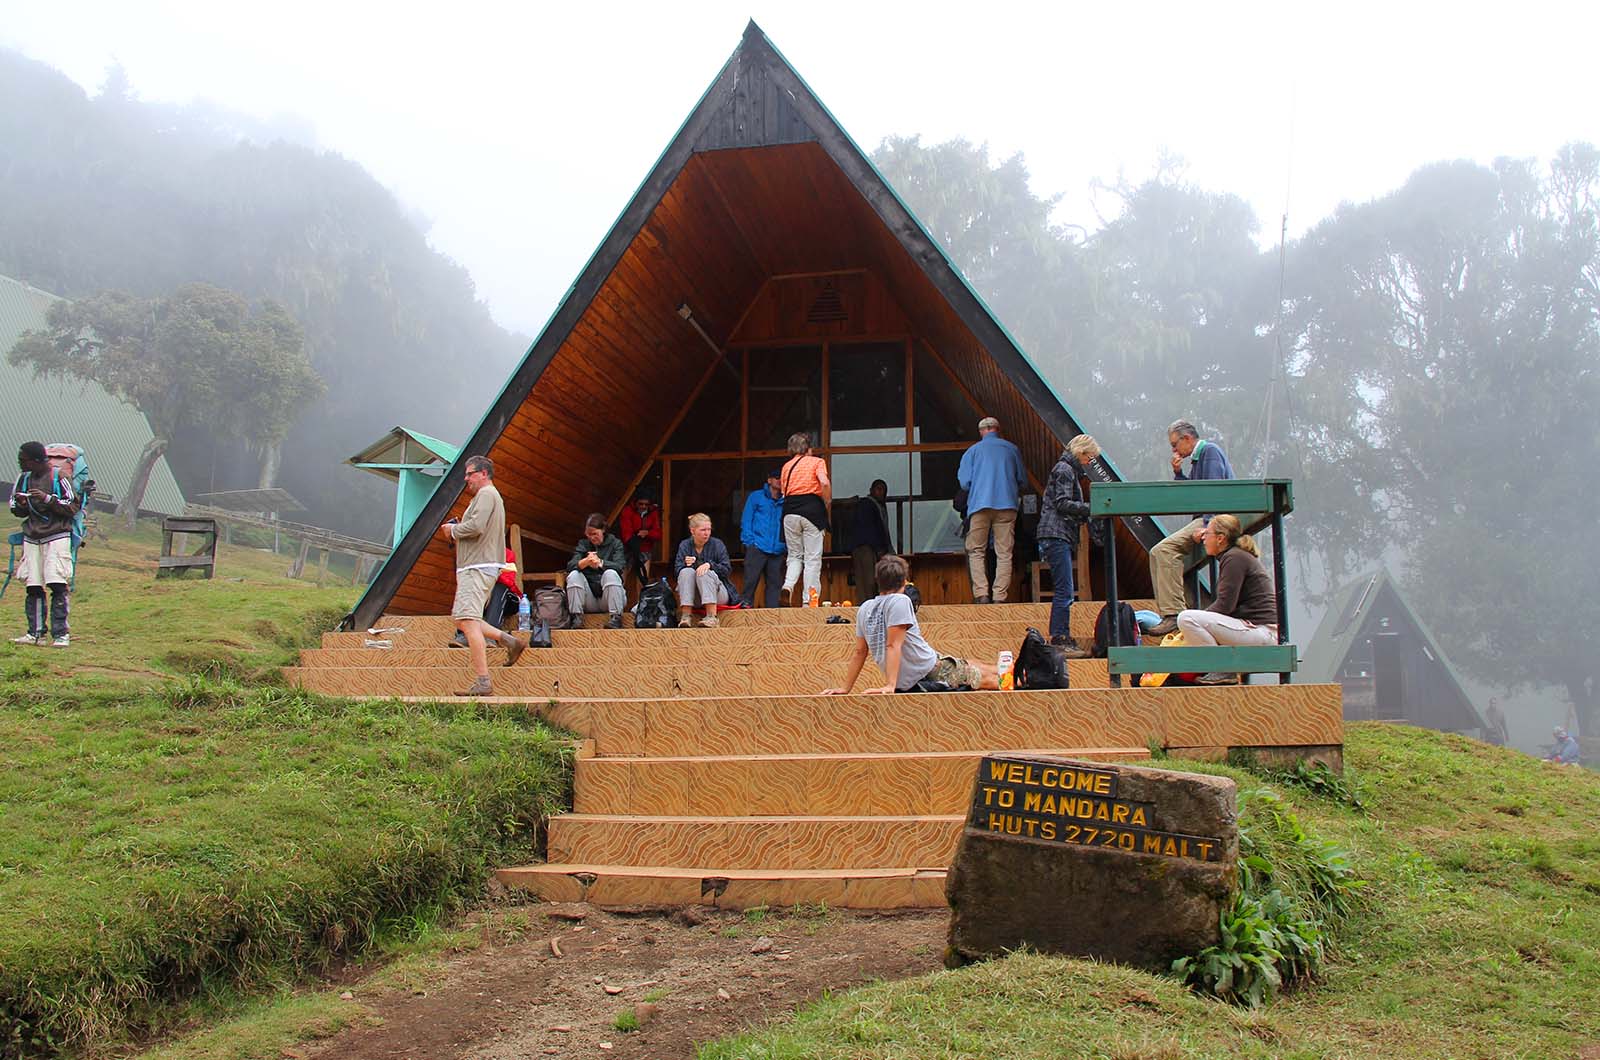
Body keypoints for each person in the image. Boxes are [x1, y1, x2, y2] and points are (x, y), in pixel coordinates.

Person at [822, 554, 998, 694]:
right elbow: (892, 645)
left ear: (878, 581)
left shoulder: (865, 608)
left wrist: (846, 688)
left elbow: (860, 652)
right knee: (988, 678)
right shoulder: (900, 600)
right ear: (904, 582)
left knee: (991, 676)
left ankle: (1019, 675)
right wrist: (891, 685)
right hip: (931, 673)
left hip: (933, 669)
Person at [437, 455, 526, 695]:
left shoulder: (486, 495)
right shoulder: (488, 496)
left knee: (466, 621)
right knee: (462, 618)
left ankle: (483, 681)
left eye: (470, 473)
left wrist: (452, 530)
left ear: (484, 474)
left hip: (477, 566)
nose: (466, 479)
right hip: (478, 565)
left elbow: (476, 527)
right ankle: (507, 640)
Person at [1146, 419, 1235, 637]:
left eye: (1175, 444)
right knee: (1162, 557)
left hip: (1215, 518)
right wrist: (1178, 474)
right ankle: (1178, 613)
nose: (1174, 450)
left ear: (1187, 439)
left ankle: (1174, 614)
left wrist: (1208, 525)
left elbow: (1212, 491)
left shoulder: (1209, 452)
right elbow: (1192, 493)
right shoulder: (1197, 460)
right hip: (1208, 516)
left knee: (1163, 551)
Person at [1174, 514, 1276, 685]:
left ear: (1220, 538)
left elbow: (1225, 605)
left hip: (1262, 632)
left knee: (1186, 618)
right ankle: (1221, 668)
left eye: (1208, 533)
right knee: (1192, 621)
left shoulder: (1234, 557)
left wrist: (1192, 626)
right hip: (1258, 631)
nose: (1204, 538)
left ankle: (1222, 669)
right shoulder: (1235, 556)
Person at [10, 441, 81, 647]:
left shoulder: (58, 477)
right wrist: (22, 504)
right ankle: (36, 633)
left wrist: (48, 499)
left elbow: (72, 506)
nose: (20, 464)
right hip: (32, 537)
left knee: (57, 583)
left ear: (35, 460)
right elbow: (15, 508)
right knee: (33, 586)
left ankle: (61, 634)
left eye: (23, 460)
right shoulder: (23, 479)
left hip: (57, 536)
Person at [1037, 434, 1100, 659]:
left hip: (1056, 534)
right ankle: (1059, 638)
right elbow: (1063, 503)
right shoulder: (1065, 470)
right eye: (1089, 457)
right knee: (1065, 589)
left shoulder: (1066, 469)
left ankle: (1061, 636)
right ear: (1081, 452)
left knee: (1065, 588)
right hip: (1056, 534)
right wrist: (1090, 508)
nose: (1089, 463)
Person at [957, 417, 1026, 603]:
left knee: (976, 550)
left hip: (980, 506)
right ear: (998, 429)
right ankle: (999, 597)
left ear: (981, 432)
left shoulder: (972, 452)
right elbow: (1022, 480)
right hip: (1007, 506)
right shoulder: (1012, 449)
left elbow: (964, 483)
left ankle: (982, 595)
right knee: (1004, 553)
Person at [778, 432, 830, 606]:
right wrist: (827, 501)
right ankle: (809, 601)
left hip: (789, 512)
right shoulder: (817, 462)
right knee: (812, 558)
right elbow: (824, 482)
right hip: (812, 510)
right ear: (808, 448)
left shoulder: (786, 467)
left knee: (794, 556)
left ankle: (788, 585)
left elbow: (784, 493)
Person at [565, 512, 628, 629]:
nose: (591, 537)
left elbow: (620, 566)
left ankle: (616, 618)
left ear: (603, 530)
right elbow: (570, 565)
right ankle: (576, 617)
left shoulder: (615, 543)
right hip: (589, 599)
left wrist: (600, 563)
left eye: (594, 534)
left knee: (611, 573)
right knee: (574, 575)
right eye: (588, 534)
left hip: (610, 598)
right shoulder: (583, 544)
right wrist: (586, 562)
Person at [675, 513, 739, 627]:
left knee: (704, 573)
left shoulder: (717, 544)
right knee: (685, 571)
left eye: (709, 529)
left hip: (718, 593)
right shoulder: (684, 545)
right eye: (703, 530)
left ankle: (711, 617)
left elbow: (727, 570)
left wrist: (710, 565)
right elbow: (677, 572)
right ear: (692, 531)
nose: (707, 533)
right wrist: (687, 565)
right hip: (695, 596)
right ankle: (686, 616)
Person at [450, 546, 522, 648]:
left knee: (499, 587)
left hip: (507, 600)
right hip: (482, 599)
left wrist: (488, 575)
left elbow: (508, 580)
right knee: (470, 586)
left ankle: (491, 637)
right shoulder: (474, 553)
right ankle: (463, 635)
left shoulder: (506, 553)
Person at [739, 469, 785, 608]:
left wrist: (785, 545)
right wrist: (750, 542)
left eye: (782, 478)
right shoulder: (756, 496)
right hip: (757, 546)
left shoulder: (787, 500)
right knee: (750, 582)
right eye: (776, 477)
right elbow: (746, 519)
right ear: (769, 480)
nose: (779, 480)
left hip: (778, 549)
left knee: (775, 585)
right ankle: (745, 615)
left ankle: (772, 616)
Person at [850, 479, 893, 603]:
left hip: (869, 548)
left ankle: (870, 606)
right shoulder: (867, 504)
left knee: (872, 581)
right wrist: (880, 549)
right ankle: (867, 607)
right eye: (878, 489)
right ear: (871, 490)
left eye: (883, 490)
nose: (881, 493)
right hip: (866, 547)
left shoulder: (878, 506)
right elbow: (869, 529)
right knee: (868, 581)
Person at [618, 493, 660, 582]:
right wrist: (633, 540)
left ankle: (641, 596)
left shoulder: (653, 512)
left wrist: (648, 533)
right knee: (621, 579)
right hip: (628, 547)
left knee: (643, 579)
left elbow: (658, 533)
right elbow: (626, 532)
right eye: (640, 504)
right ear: (636, 503)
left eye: (646, 504)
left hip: (645, 548)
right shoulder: (627, 511)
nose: (643, 506)